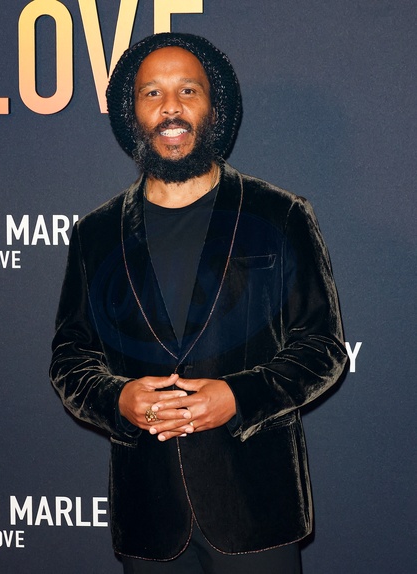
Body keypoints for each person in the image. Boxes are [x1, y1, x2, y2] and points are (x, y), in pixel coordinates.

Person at [50, 32, 347, 574]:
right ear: (132, 112)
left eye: (188, 90)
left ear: (214, 106)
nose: (171, 108)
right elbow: (71, 358)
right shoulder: (96, 234)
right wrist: (119, 400)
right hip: (149, 516)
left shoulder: (280, 214)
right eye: (152, 93)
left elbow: (322, 349)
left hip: (256, 510)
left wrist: (237, 397)